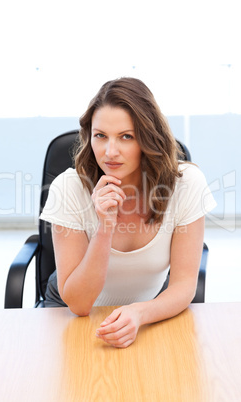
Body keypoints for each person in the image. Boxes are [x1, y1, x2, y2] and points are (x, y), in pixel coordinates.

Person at [40, 77, 216, 348]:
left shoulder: (187, 184)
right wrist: (105, 227)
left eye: (126, 136)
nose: (110, 152)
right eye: (100, 136)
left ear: (148, 138)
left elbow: (183, 286)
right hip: (69, 311)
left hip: (146, 312)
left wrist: (139, 312)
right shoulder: (68, 188)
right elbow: (78, 303)